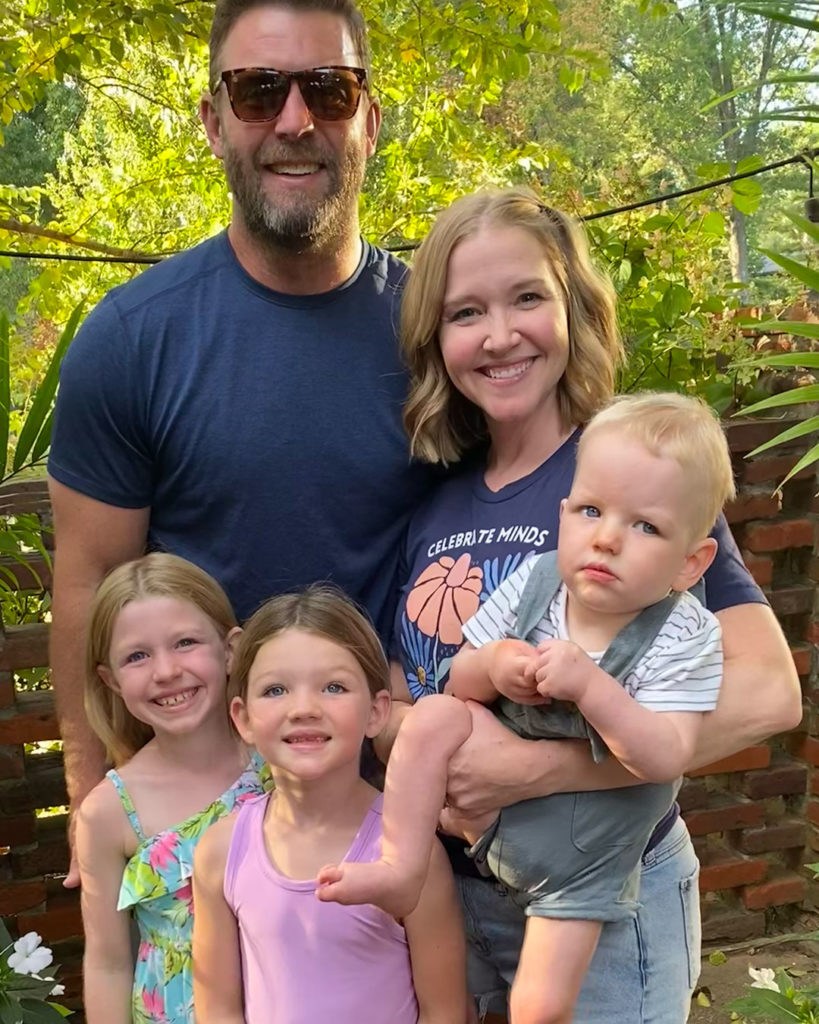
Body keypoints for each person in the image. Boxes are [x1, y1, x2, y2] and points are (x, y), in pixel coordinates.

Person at [379, 187, 801, 1023]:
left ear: (572, 308)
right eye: (466, 311)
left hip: (603, 900)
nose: (499, 334)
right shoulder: (433, 504)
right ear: (437, 338)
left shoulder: (628, 484)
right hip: (456, 902)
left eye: (526, 298)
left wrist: (540, 768)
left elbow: (766, 692)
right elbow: (407, 686)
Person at [47, 0, 435, 885]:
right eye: (258, 91)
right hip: (203, 827)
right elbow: (87, 586)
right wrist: (90, 796)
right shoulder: (133, 339)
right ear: (213, 122)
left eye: (328, 90)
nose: (294, 121)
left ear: (368, 121)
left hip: (402, 817)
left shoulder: (437, 333)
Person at [319, 392, 733, 1024]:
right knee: (432, 716)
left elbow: (666, 755)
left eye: (645, 526)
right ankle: (401, 864)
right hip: (489, 840)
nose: (608, 539)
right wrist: (495, 667)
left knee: (540, 1009)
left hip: (584, 865)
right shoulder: (535, 582)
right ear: (564, 516)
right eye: (591, 511)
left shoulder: (685, 633)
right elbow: (456, 680)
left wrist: (592, 688)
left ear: (692, 561)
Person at [191, 585, 467, 1024]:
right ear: (242, 717)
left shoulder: (407, 854)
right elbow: (218, 1010)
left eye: (333, 687)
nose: (303, 708)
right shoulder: (220, 853)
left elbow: (446, 1012)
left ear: (377, 711)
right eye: (276, 690)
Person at [75, 553, 267, 1024]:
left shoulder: (282, 763)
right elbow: (107, 963)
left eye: (185, 643)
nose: (165, 672)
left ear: (230, 650)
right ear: (111, 680)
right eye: (137, 656)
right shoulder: (109, 812)